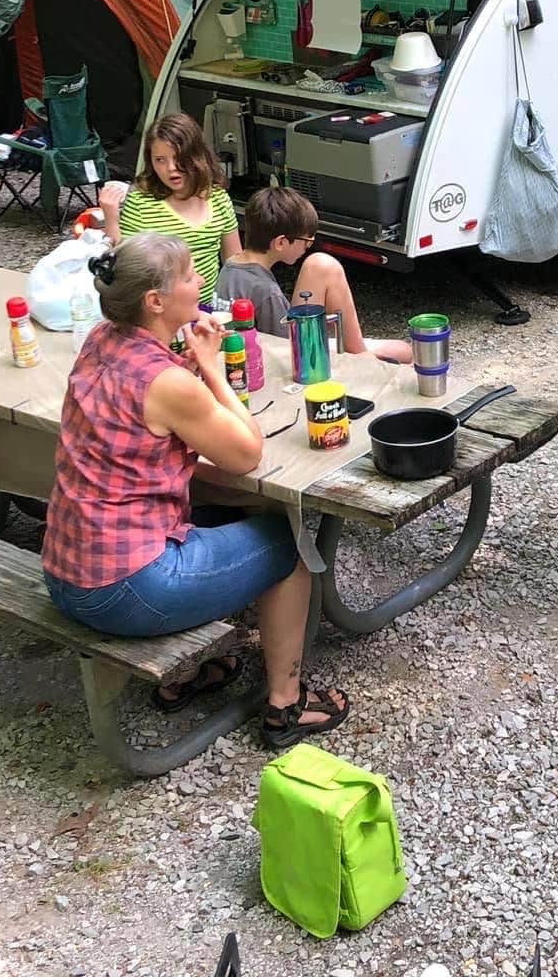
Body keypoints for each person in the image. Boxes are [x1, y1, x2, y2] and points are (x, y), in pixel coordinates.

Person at [42, 231, 350, 745]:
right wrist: (210, 365)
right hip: (125, 589)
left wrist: (189, 362)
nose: (201, 281)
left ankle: (183, 678)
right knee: (288, 542)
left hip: (67, 572)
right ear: (156, 301)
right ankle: (285, 705)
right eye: (188, 276)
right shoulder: (168, 383)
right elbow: (247, 452)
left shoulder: (102, 338)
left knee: (220, 516)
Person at [216, 186, 413, 362]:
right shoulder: (266, 291)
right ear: (281, 243)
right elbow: (287, 346)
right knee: (403, 350)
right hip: (280, 360)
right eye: (306, 241)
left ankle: (361, 354)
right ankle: (362, 362)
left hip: (237, 355)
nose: (307, 247)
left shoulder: (231, 266)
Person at [98, 113, 239, 291]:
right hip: (162, 311)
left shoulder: (218, 197)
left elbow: (234, 263)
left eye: (178, 157)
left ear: (196, 155)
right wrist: (111, 219)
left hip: (209, 310)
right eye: (160, 160)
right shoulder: (140, 203)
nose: (170, 168)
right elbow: (122, 269)